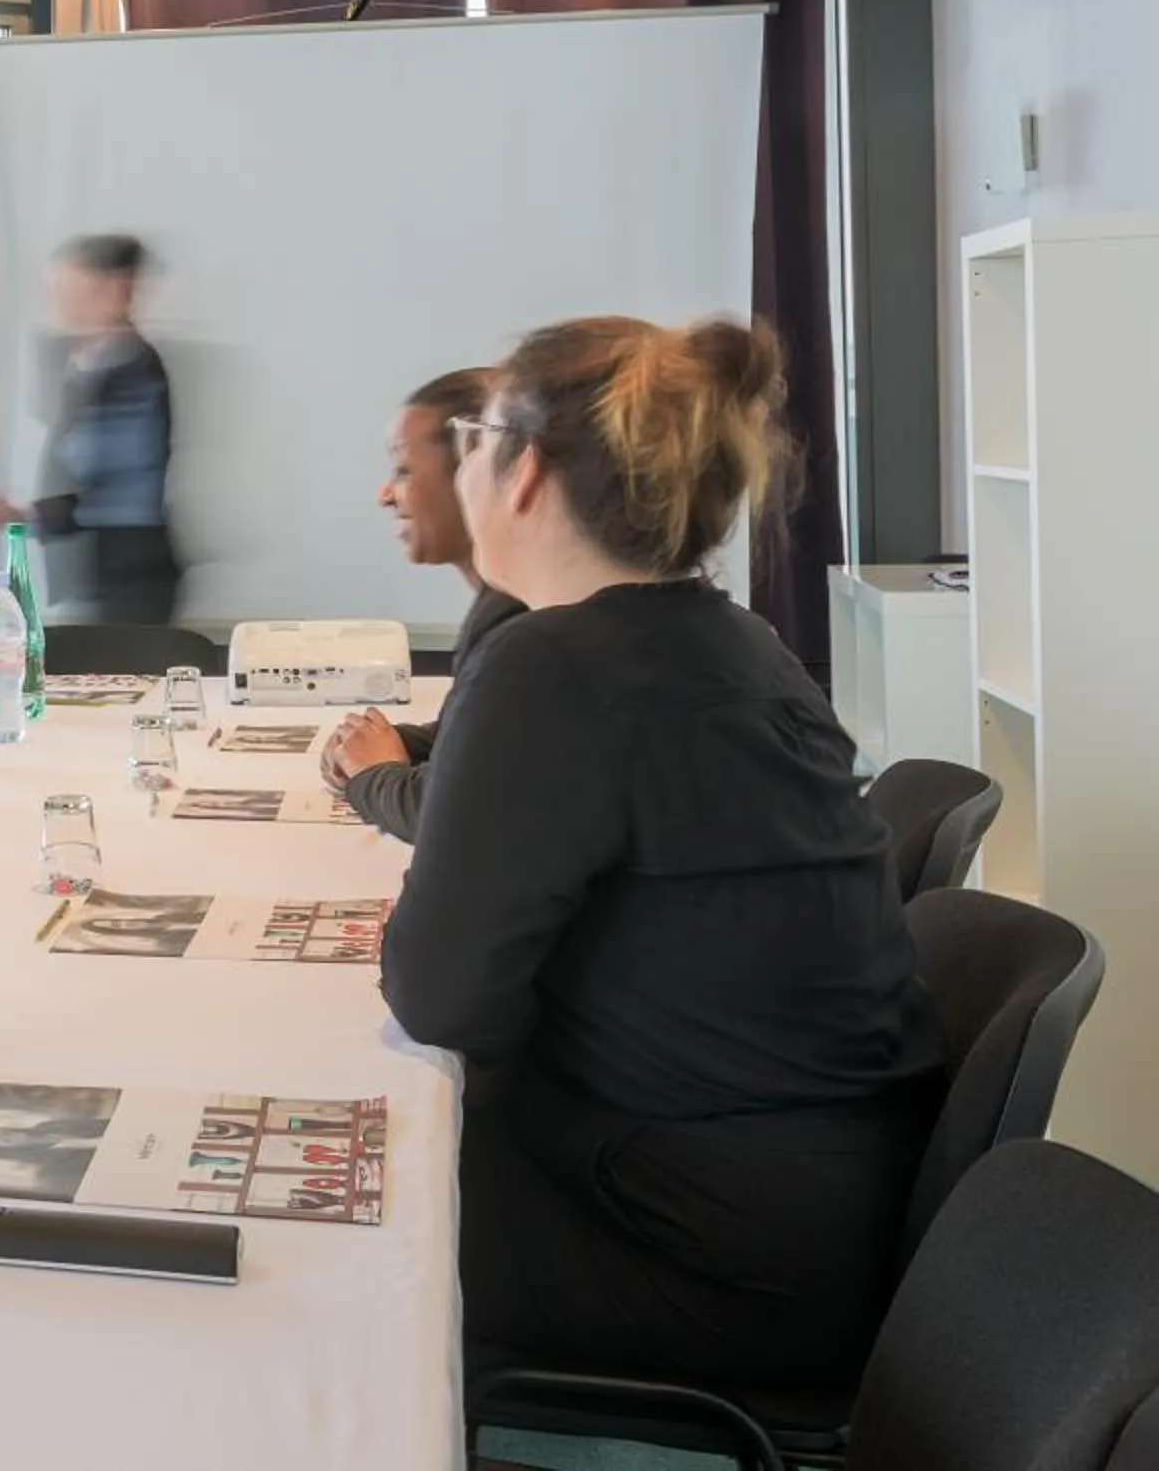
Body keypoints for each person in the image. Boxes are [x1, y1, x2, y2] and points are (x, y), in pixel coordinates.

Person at [363, 316, 941, 1389]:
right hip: (811, 1220)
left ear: (525, 471)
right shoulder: (730, 638)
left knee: (322, 1246)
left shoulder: (554, 667)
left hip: (698, 1254)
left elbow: (442, 999)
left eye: (474, 438)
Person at [322, 367, 526, 840]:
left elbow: (450, 816)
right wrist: (379, 747)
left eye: (403, 470)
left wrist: (373, 775)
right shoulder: (506, 605)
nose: (385, 495)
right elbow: (484, 743)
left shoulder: (525, 627)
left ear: (476, 471)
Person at [0, 234, 177, 623]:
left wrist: (28, 515)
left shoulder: (134, 374)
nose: (62, 304)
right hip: (97, 575)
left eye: (72, 289)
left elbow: (116, 492)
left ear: (114, 290)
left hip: (130, 580)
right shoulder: (90, 367)